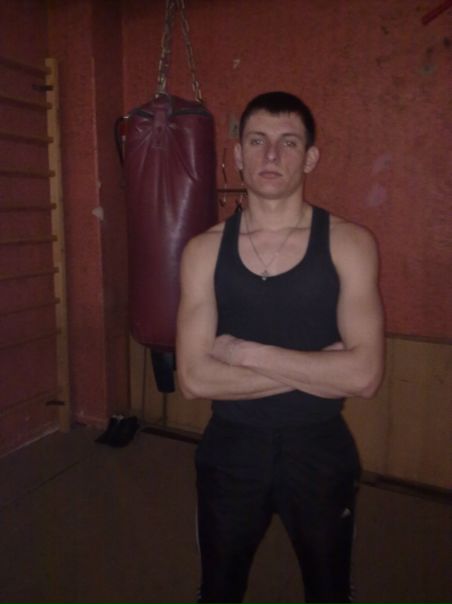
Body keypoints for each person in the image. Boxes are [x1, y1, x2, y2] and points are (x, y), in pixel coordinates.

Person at [176, 91, 384, 604]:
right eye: (257, 141)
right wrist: (322, 367)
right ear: (238, 154)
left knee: (329, 592)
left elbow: (364, 377)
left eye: (288, 142)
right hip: (230, 448)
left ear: (310, 157)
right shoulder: (202, 251)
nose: (271, 155)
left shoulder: (350, 243)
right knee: (218, 592)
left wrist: (243, 353)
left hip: (320, 448)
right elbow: (194, 379)